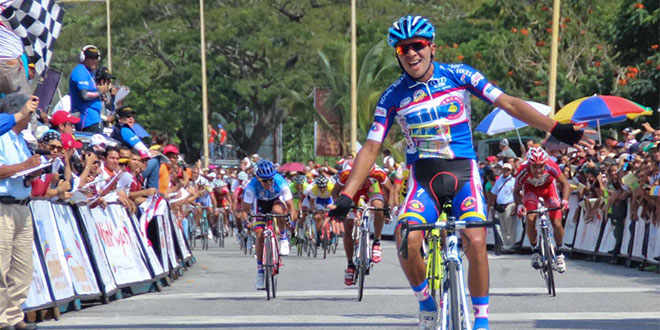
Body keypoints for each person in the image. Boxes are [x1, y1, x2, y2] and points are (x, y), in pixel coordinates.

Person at [328, 15, 592, 330]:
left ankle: (481, 320)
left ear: (432, 48)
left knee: (476, 240)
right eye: (402, 49)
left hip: (463, 172)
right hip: (424, 177)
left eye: (417, 46)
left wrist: (555, 128)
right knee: (406, 237)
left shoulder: (458, 74)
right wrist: (346, 195)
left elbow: (507, 102)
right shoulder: (393, 96)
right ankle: (426, 300)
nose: (411, 54)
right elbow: (371, 148)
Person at [0, 93, 41, 330]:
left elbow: (20, 174)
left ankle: (15, 315)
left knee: (23, 266)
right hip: (3, 206)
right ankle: (1, 317)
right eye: (30, 111)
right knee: (2, 265)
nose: (31, 117)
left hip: (22, 206)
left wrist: (32, 172)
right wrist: (24, 166)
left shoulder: (20, 139)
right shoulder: (2, 136)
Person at [241, 159, 297, 289]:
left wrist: (291, 218)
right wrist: (247, 221)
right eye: (265, 181)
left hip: (276, 201)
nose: (268, 183)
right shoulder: (252, 185)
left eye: (270, 179)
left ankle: (283, 238)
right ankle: (260, 271)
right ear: (259, 179)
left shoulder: (280, 181)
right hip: (260, 205)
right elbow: (245, 209)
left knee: (278, 211)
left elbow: (290, 205)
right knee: (260, 235)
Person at [514, 147, 570, 273]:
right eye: (535, 166)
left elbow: (565, 184)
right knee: (530, 218)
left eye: (541, 166)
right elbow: (516, 191)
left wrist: (565, 200)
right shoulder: (523, 170)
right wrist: (519, 205)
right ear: (529, 164)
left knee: (556, 222)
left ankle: (560, 253)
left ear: (545, 163)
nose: (538, 170)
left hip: (548, 190)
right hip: (531, 191)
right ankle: (534, 250)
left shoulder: (551, 166)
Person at [69, 45, 108, 133]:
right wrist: (100, 91)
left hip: (94, 118)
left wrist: (101, 95)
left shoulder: (89, 73)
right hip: (87, 120)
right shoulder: (80, 71)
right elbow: (85, 95)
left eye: (95, 58)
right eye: (90, 58)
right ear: (83, 58)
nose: (93, 61)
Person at [491, 163, 517, 250]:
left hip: (509, 205)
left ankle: (510, 244)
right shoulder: (499, 180)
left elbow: (517, 194)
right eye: (504, 169)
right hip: (500, 206)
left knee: (510, 226)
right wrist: (493, 205)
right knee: (502, 226)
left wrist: (516, 206)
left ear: (511, 171)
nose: (506, 171)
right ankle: (505, 244)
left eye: (508, 170)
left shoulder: (513, 181)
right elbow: (494, 192)